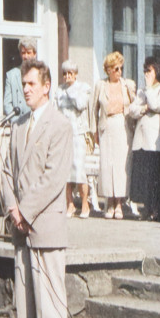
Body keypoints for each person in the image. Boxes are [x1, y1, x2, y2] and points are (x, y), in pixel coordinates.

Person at [1, 58, 73, 318]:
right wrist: (12, 209)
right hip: (21, 226)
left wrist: (25, 212)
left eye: (32, 84)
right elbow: (5, 171)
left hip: (44, 224)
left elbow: (53, 177)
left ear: (46, 86)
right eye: (23, 84)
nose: (26, 89)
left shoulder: (60, 125)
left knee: (50, 298)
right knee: (26, 297)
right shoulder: (17, 125)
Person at [129, 57, 160, 221]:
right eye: (145, 71)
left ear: (157, 71)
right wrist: (144, 108)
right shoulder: (142, 91)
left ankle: (156, 209)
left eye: (149, 71)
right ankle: (146, 208)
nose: (146, 74)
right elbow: (132, 110)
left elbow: (157, 105)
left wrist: (148, 92)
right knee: (144, 176)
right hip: (141, 139)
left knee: (156, 176)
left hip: (155, 140)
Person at [93, 51, 136, 220]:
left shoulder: (127, 85)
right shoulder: (100, 85)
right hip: (106, 126)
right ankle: (108, 202)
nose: (119, 72)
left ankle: (119, 203)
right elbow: (93, 109)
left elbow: (134, 105)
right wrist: (94, 131)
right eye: (116, 69)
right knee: (107, 165)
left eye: (121, 68)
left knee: (120, 166)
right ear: (108, 70)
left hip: (122, 126)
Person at [55, 60, 92, 218]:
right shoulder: (59, 90)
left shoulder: (83, 88)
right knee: (65, 170)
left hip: (77, 133)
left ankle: (85, 204)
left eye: (70, 73)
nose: (67, 76)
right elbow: (56, 110)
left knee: (79, 170)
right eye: (65, 73)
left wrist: (70, 91)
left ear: (75, 74)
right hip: (63, 134)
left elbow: (81, 104)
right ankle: (69, 204)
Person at [3, 38, 37, 118]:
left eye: (29, 53)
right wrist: (16, 121)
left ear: (34, 54)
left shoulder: (40, 73)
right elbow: (7, 103)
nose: (26, 56)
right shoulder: (11, 75)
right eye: (23, 53)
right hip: (17, 122)